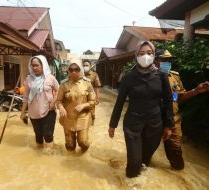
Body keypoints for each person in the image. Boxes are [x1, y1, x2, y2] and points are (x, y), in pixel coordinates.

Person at [108, 41, 175, 178]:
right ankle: (130, 183)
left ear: (154, 55)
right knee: (134, 162)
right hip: (133, 124)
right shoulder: (128, 77)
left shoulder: (161, 77)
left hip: (155, 124)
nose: (146, 56)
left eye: (149, 53)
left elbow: (168, 101)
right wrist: (112, 125)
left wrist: (169, 125)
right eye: (141, 53)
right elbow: (119, 102)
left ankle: (141, 182)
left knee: (145, 159)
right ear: (136, 56)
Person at [154, 49, 209, 170]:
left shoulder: (174, 77)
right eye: (164, 60)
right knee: (145, 153)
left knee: (176, 155)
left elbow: (178, 97)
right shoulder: (148, 77)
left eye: (169, 60)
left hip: (173, 120)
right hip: (153, 120)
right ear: (155, 61)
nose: (167, 63)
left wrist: (196, 91)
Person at [20, 55, 59, 149]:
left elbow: (59, 90)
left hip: (48, 111)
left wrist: (53, 102)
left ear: (43, 65)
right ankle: (39, 157)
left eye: (37, 65)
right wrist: (22, 113)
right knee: (38, 136)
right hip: (33, 113)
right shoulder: (29, 79)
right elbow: (25, 97)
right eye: (33, 65)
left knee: (48, 135)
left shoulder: (50, 78)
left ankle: (48, 159)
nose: (34, 68)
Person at [56, 58, 95, 152]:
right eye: (71, 69)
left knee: (83, 143)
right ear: (68, 70)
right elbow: (58, 101)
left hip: (83, 117)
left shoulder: (87, 83)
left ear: (80, 69)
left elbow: (93, 101)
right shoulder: (63, 84)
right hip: (68, 117)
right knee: (69, 145)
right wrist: (61, 108)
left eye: (76, 69)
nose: (73, 72)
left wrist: (83, 105)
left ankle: (84, 157)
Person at [82, 60, 101, 125]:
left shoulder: (94, 75)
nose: (85, 67)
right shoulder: (80, 74)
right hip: (82, 97)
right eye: (84, 65)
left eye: (87, 65)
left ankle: (92, 122)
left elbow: (97, 87)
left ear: (90, 66)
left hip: (91, 97)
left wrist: (97, 97)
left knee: (92, 112)